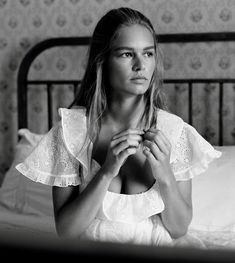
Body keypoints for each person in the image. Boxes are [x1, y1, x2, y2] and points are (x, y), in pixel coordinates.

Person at [16, 7, 221, 247]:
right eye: (126, 54)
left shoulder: (174, 131)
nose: (140, 65)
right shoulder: (72, 132)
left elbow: (178, 229)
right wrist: (106, 171)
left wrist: (164, 174)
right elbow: (67, 232)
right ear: (101, 61)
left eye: (148, 54)